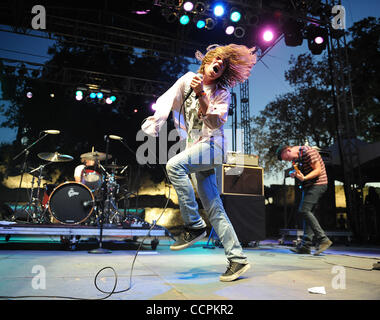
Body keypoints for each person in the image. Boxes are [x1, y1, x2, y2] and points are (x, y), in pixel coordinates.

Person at [141, 44, 256, 281]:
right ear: (206, 61)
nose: (218, 66)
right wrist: (156, 122)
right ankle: (238, 259)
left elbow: (214, 124)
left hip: (214, 147)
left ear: (224, 72)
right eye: (216, 61)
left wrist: (202, 94)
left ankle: (193, 225)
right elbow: (167, 98)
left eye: (223, 66)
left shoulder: (221, 93)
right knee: (214, 207)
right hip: (196, 149)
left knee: (174, 166)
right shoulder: (187, 80)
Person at [276, 144, 333, 255]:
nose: (289, 161)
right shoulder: (298, 157)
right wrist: (295, 173)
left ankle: (323, 239)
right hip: (308, 186)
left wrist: (305, 178)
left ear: (288, 150)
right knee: (308, 213)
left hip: (318, 184)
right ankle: (305, 246)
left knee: (304, 210)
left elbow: (317, 170)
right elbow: (304, 170)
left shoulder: (308, 152)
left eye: (287, 158)